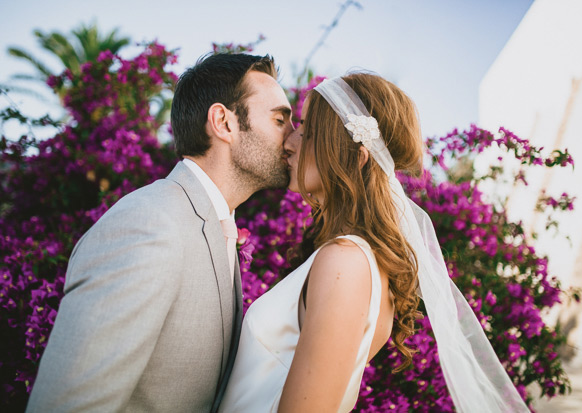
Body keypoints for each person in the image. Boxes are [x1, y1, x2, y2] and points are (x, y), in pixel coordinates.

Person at [219, 74, 529, 412]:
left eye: (307, 131)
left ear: (358, 157)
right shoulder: (353, 258)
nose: (289, 142)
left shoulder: (346, 262)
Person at [26, 53, 294, 413]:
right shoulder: (148, 224)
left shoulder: (212, 224)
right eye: (280, 120)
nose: (294, 139)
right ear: (223, 123)